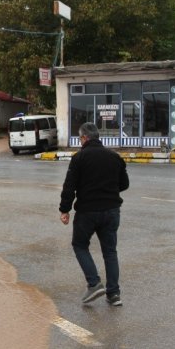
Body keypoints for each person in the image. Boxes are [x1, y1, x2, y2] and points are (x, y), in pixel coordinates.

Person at [58, 122, 130, 306]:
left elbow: (69, 187)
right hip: (112, 211)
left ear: (84, 138)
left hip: (87, 212)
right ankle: (114, 294)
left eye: (80, 138)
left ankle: (94, 283)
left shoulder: (79, 158)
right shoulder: (114, 157)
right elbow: (124, 185)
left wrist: (64, 210)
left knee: (80, 245)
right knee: (110, 251)